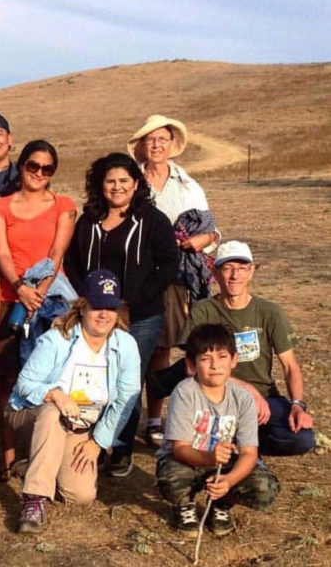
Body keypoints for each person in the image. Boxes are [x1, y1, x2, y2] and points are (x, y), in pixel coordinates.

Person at [64, 152, 178, 477]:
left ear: (136, 184)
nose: (117, 187)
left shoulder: (152, 220)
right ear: (100, 185)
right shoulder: (88, 220)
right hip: (96, 315)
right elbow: (71, 261)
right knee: (96, 375)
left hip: (140, 315)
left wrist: (134, 298)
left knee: (128, 380)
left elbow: (169, 264)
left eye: (123, 181)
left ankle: (122, 447)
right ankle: (94, 442)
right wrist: (85, 293)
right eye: (110, 181)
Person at [7, 270, 141, 533]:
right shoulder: (58, 338)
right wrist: (55, 394)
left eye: (110, 308)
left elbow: (126, 400)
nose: (103, 315)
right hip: (31, 414)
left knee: (80, 497)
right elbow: (24, 384)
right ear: (82, 307)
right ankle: (34, 499)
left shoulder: (125, 345)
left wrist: (97, 442)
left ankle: (36, 463)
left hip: (80, 426)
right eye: (96, 307)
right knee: (51, 412)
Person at [0, 139, 77, 480]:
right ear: (21, 166)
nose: (38, 172)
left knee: (55, 377)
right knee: (8, 380)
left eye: (46, 168)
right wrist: (21, 289)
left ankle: (47, 455)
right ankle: (8, 459)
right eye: (32, 165)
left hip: (52, 303)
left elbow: (57, 253)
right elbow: (2, 254)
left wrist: (39, 292)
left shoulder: (63, 205)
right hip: (10, 299)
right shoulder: (1, 207)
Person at [128, 114, 220, 446]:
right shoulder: (129, 180)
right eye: (150, 139)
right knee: (131, 350)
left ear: (171, 145)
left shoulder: (188, 184)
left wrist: (203, 240)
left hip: (178, 279)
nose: (156, 144)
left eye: (162, 139)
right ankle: (124, 419)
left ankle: (155, 419)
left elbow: (211, 231)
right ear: (141, 145)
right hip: (136, 274)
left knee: (163, 350)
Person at [174, 241, 314, 456]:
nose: (235, 276)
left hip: (265, 395)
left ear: (251, 272)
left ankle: (248, 444)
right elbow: (192, 367)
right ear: (215, 272)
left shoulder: (270, 312)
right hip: (216, 392)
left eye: (241, 268)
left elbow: (290, 366)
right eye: (228, 268)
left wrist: (297, 405)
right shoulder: (204, 310)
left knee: (301, 439)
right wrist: (247, 389)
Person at [156, 323, 279, 537]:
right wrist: (210, 457)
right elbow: (180, 449)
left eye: (222, 357)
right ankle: (184, 506)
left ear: (234, 360)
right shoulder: (185, 393)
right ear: (191, 364)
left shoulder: (243, 399)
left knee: (264, 486)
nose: (215, 365)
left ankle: (222, 504)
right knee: (171, 477)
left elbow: (250, 452)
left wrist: (229, 481)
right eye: (205, 359)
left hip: (225, 464)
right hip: (190, 459)